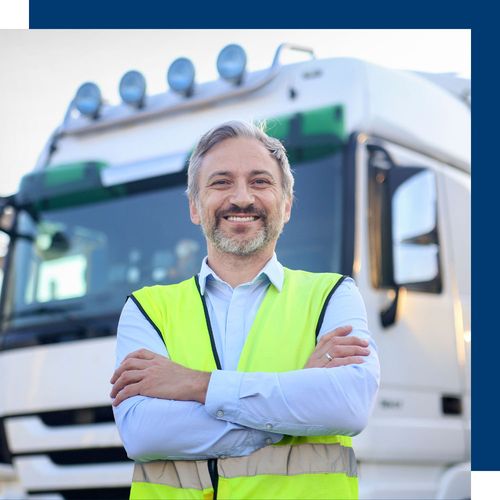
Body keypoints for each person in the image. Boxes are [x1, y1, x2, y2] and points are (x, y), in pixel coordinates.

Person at [110, 121, 380, 500]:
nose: (241, 198)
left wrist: (195, 385)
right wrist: (295, 404)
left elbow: (348, 407)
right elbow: (143, 433)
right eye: (221, 182)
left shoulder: (333, 295)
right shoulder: (147, 309)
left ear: (285, 206)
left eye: (260, 182)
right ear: (194, 206)